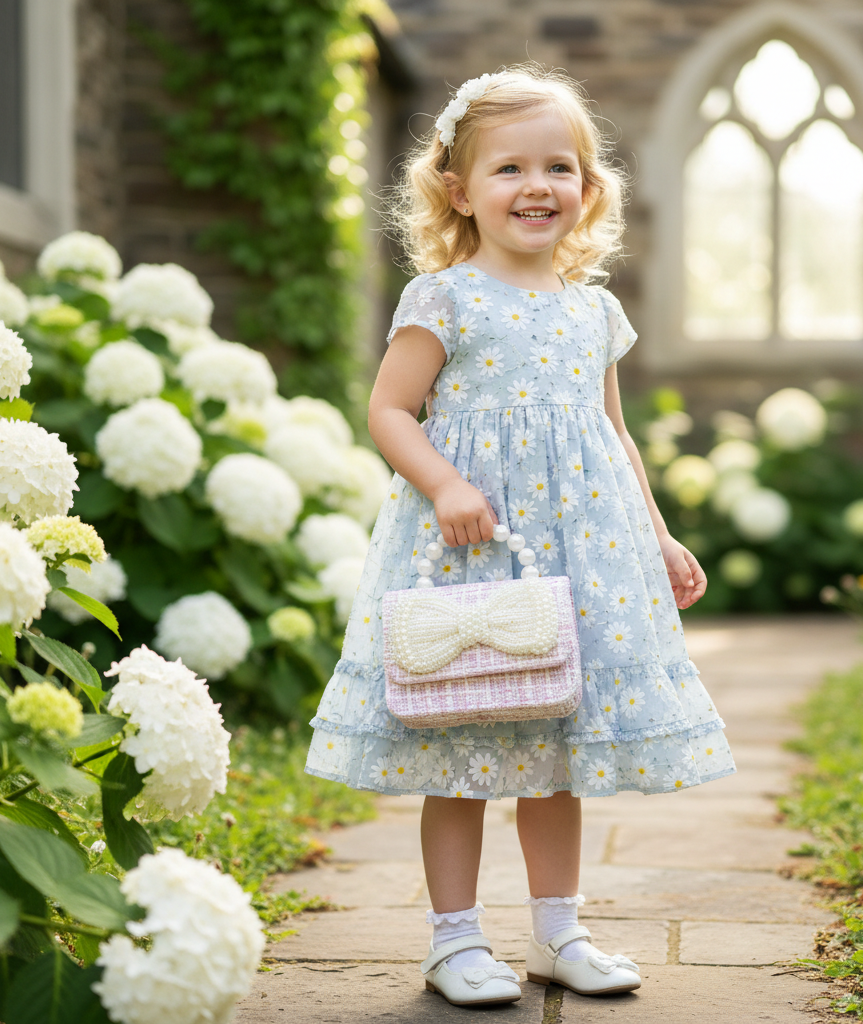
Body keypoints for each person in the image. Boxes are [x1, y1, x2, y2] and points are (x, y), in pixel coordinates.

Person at [305, 65, 735, 1007]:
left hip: (581, 555)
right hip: (469, 552)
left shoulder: (594, 311)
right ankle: (453, 941)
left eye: (559, 167)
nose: (536, 186)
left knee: (556, 748)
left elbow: (613, 434)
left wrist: (658, 539)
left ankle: (557, 931)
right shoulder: (442, 299)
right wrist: (446, 481)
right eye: (508, 169)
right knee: (460, 749)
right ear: (458, 190)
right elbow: (388, 410)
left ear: (589, 188)